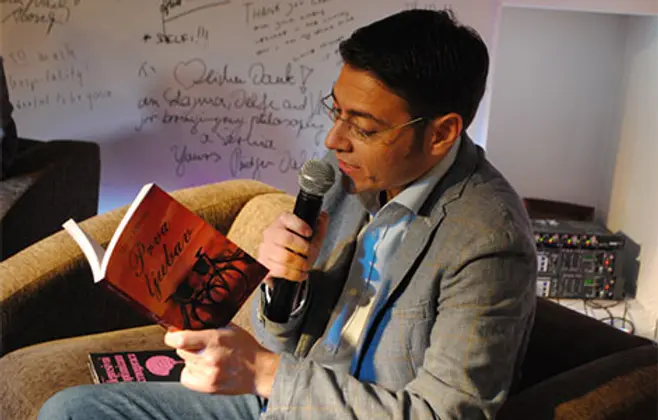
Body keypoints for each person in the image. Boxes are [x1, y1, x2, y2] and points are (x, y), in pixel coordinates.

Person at [39, 8, 537, 420]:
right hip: (280, 398)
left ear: (442, 134)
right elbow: (281, 340)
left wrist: (265, 373)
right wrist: (284, 284)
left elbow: (446, 413)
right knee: (70, 410)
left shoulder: (488, 241)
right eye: (336, 110)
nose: (334, 140)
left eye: (363, 127)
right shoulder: (342, 173)